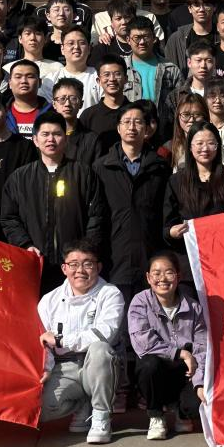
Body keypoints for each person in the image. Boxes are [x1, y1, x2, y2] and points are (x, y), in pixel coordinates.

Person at [1, 113, 107, 293]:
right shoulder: (20, 178)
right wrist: (25, 244)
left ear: (66, 139)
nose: (51, 139)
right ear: (35, 140)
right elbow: (9, 218)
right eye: (45, 134)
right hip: (35, 262)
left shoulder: (83, 174)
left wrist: (84, 251)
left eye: (57, 134)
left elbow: (97, 216)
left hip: (75, 266)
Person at [38, 240, 124, 445]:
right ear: (64, 268)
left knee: (100, 348)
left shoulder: (111, 294)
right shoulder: (49, 300)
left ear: (98, 267)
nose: (80, 270)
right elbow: (43, 341)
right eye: (74, 264)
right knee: (41, 408)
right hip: (64, 366)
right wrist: (46, 368)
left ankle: (101, 415)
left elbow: (105, 334)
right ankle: (82, 405)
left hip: (99, 365)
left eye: (87, 264)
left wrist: (61, 340)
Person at [93, 100, 171, 306]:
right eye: (126, 122)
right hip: (113, 254)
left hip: (149, 251)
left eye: (138, 122)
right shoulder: (101, 167)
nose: (132, 127)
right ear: (118, 128)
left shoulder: (159, 167)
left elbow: (164, 210)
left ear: (146, 129)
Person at [127, 252, 208, 440]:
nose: (162, 278)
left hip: (185, 372)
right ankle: (156, 415)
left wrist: (200, 383)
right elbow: (143, 343)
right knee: (148, 365)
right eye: (156, 273)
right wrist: (181, 353)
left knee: (195, 404)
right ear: (148, 278)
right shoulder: (140, 302)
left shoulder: (194, 307)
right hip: (158, 370)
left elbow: (202, 348)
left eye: (169, 273)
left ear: (179, 276)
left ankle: (182, 412)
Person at [164, 121, 224, 249]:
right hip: (191, 253)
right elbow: (167, 226)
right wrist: (172, 232)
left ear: (218, 146)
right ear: (190, 147)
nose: (205, 148)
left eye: (211, 143)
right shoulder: (176, 181)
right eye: (199, 143)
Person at [122, 16, 182, 137]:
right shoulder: (121, 69)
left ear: (154, 38)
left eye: (146, 37)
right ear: (128, 39)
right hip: (129, 131)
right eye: (137, 38)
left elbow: (181, 104)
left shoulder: (170, 69)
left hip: (163, 133)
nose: (142, 42)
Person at [165, 0, 219, 70]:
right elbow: (170, 72)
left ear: (214, 7)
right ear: (190, 8)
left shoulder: (223, 37)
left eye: (206, 4)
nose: (201, 9)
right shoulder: (176, 39)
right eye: (197, 5)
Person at [3, 59, 53, 139]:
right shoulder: (0, 114)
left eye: (30, 77)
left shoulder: (52, 113)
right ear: (10, 83)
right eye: (18, 77)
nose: (23, 81)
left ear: (40, 82)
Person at [159, 92, 208, 169]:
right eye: (186, 114)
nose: (191, 120)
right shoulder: (168, 149)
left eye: (197, 114)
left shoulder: (214, 145)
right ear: (178, 117)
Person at [202, 78, 224, 150]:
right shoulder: (200, 127)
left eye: (223, 96)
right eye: (212, 96)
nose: (217, 101)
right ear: (205, 99)